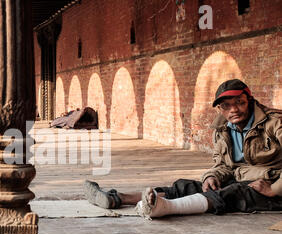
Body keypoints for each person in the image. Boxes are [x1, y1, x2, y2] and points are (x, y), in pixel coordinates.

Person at [84, 79, 282, 220]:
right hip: (243, 177)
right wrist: (211, 177)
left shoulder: (274, 123)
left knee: (234, 193)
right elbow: (223, 165)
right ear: (220, 109)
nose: (234, 110)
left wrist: (274, 189)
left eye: (240, 103)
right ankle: (117, 198)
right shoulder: (223, 129)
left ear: (250, 101)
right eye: (227, 106)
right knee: (185, 186)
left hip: (272, 186)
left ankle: (166, 208)